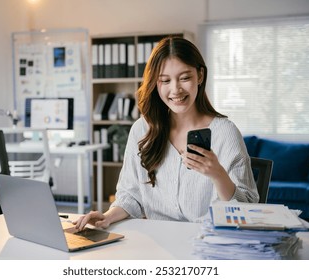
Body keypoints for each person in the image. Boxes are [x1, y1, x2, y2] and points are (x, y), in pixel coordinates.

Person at [74, 36, 258, 231]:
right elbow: (131, 195)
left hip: (209, 242)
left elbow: (248, 209)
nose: (175, 89)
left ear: (200, 76)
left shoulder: (225, 133)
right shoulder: (142, 130)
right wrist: (107, 217)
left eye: (185, 78)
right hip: (159, 241)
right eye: (165, 80)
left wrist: (218, 175)